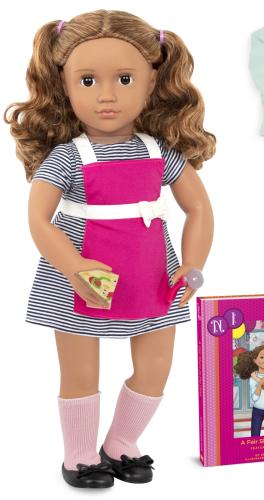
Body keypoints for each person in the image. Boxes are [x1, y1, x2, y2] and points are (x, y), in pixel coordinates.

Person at [4, 9, 214, 488]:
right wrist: (73, 266)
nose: (106, 95)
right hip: (80, 276)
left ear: (151, 81)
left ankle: (121, 442)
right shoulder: (66, 157)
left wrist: (193, 265)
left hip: (151, 272)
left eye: (124, 78)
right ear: (64, 84)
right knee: (81, 371)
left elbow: (199, 209)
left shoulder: (161, 152)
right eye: (88, 80)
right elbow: (38, 219)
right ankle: (79, 454)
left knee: (156, 366)